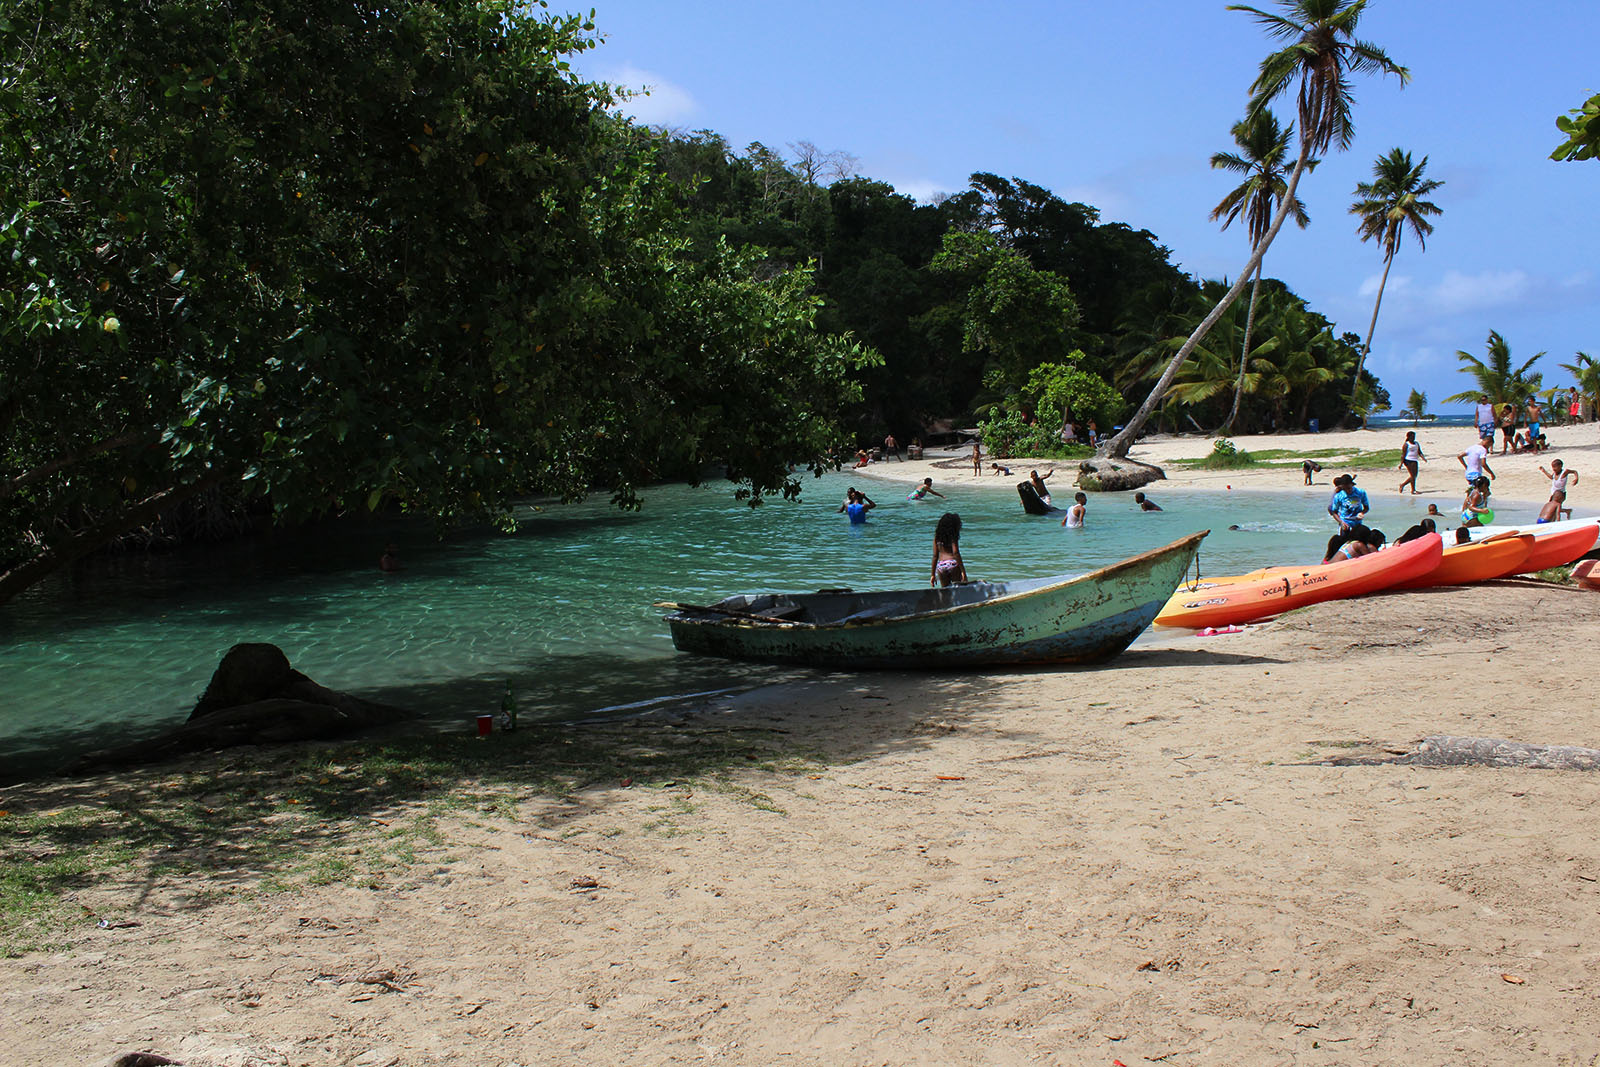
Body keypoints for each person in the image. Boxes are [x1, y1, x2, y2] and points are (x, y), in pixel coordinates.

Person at [930, 512, 968, 586]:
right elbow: (956, 553)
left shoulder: (937, 537)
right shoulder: (953, 536)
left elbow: (935, 556)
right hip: (952, 563)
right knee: (957, 589)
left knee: (945, 591)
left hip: (941, 566)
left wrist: (933, 575)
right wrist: (963, 571)